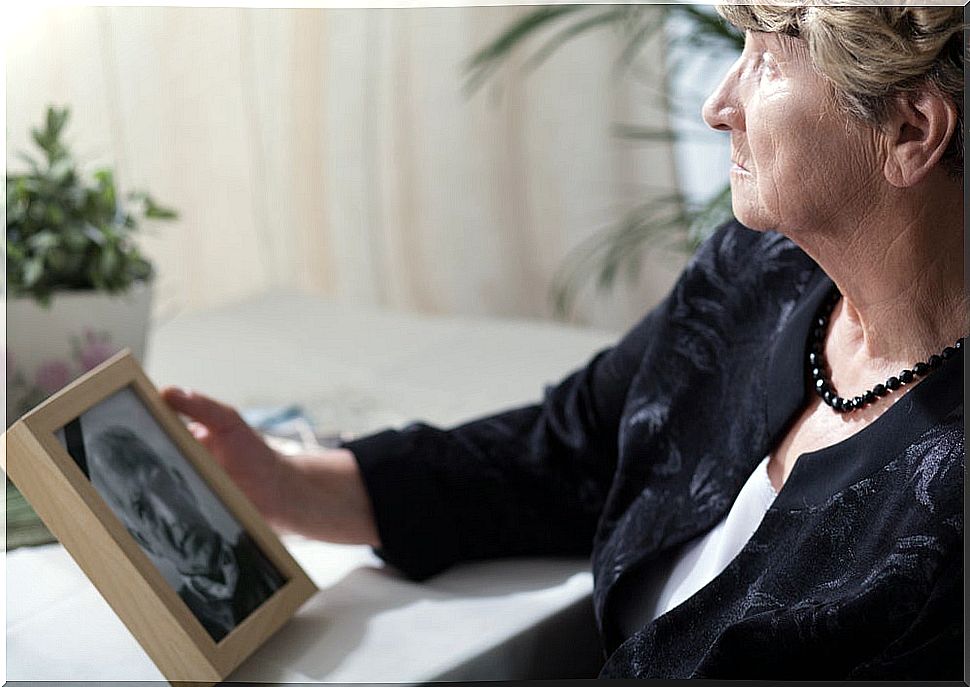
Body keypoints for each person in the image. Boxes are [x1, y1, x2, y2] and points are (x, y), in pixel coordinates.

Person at [161, 3, 965, 677]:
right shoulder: (760, 272)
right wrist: (288, 483)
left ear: (908, 128)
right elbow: (573, 450)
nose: (717, 103)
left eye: (766, 61)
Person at [85, 426, 285, 642]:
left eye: (163, 485)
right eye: (143, 510)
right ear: (143, 541)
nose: (172, 516)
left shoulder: (266, 553)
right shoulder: (176, 628)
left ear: (184, 487)